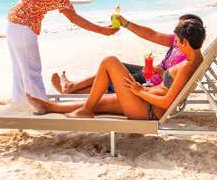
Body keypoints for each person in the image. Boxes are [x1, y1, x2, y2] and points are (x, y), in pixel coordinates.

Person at [26, 18, 206, 120]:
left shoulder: (187, 67)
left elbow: (167, 102)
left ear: (184, 42)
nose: (176, 43)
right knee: (102, 101)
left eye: (178, 41)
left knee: (110, 61)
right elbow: (166, 93)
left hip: (148, 109)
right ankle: (49, 106)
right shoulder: (196, 59)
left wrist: (139, 91)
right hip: (147, 99)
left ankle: (85, 109)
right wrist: (143, 89)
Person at [6, 0, 118, 106]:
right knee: (32, 72)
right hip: (24, 28)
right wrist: (103, 30)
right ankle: (42, 108)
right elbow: (74, 18)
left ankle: (20, 106)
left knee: (20, 72)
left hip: (13, 24)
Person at [50, 14, 204, 94]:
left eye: (178, 28)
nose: (174, 31)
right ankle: (72, 87)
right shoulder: (178, 41)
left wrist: (161, 72)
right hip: (150, 73)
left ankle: (71, 89)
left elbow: (174, 80)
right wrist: (125, 23)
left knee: (111, 82)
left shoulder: (187, 54)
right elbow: (151, 34)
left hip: (152, 81)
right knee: (118, 67)